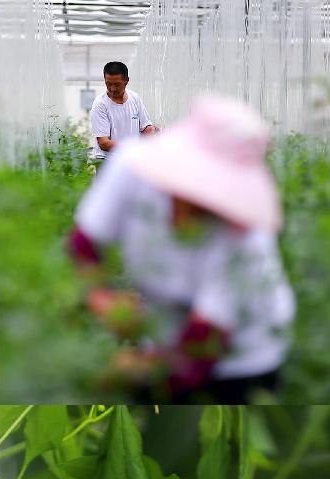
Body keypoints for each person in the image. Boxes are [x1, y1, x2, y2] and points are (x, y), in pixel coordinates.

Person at [67, 94, 295, 403]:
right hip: (165, 333)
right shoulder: (132, 168)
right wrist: (103, 300)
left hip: (241, 357)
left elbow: (202, 347)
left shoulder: (245, 238)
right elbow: (85, 244)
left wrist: (126, 376)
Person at [89, 62, 158, 164]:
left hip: (132, 160)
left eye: (117, 84)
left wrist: (152, 132)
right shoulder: (100, 105)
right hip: (107, 162)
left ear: (126, 81)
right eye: (108, 84)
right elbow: (104, 143)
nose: (112, 88)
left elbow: (146, 127)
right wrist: (134, 146)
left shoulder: (135, 98)